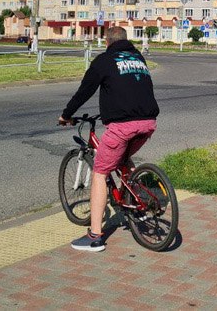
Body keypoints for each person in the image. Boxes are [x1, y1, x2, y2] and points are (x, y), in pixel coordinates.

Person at [58, 26, 159, 252]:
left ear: (107, 42)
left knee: (100, 173)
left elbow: (84, 91)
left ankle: (95, 236)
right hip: (149, 122)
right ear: (126, 40)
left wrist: (66, 115)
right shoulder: (138, 58)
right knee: (123, 158)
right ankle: (138, 207)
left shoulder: (104, 60)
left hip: (122, 125)